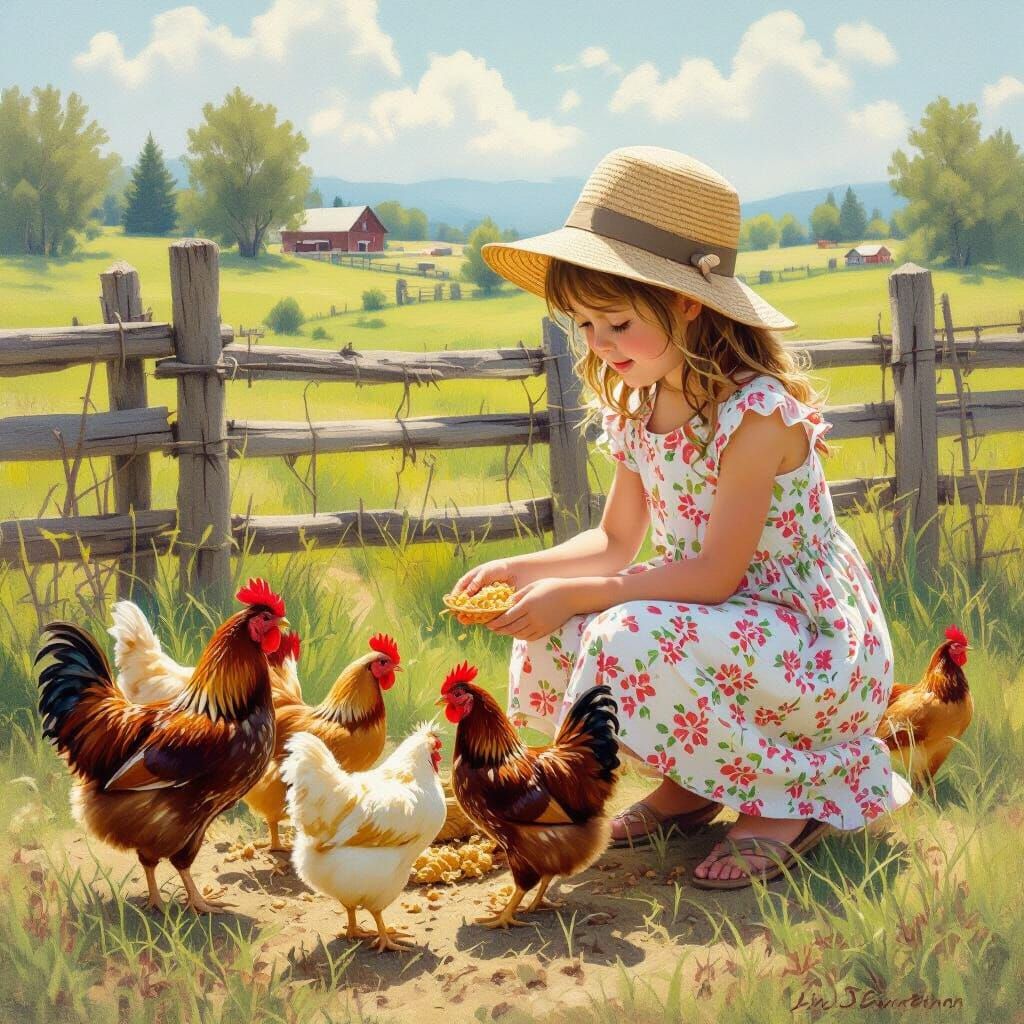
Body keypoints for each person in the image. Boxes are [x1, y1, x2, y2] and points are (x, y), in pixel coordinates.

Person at [449, 146, 911, 889]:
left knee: (620, 628)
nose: (597, 345)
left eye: (616, 322)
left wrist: (588, 595)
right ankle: (695, 785)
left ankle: (789, 800)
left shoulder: (756, 415)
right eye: (583, 325)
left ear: (688, 302)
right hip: (724, 621)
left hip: (805, 639)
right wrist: (526, 570)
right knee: (565, 622)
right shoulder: (641, 406)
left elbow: (719, 571)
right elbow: (614, 541)